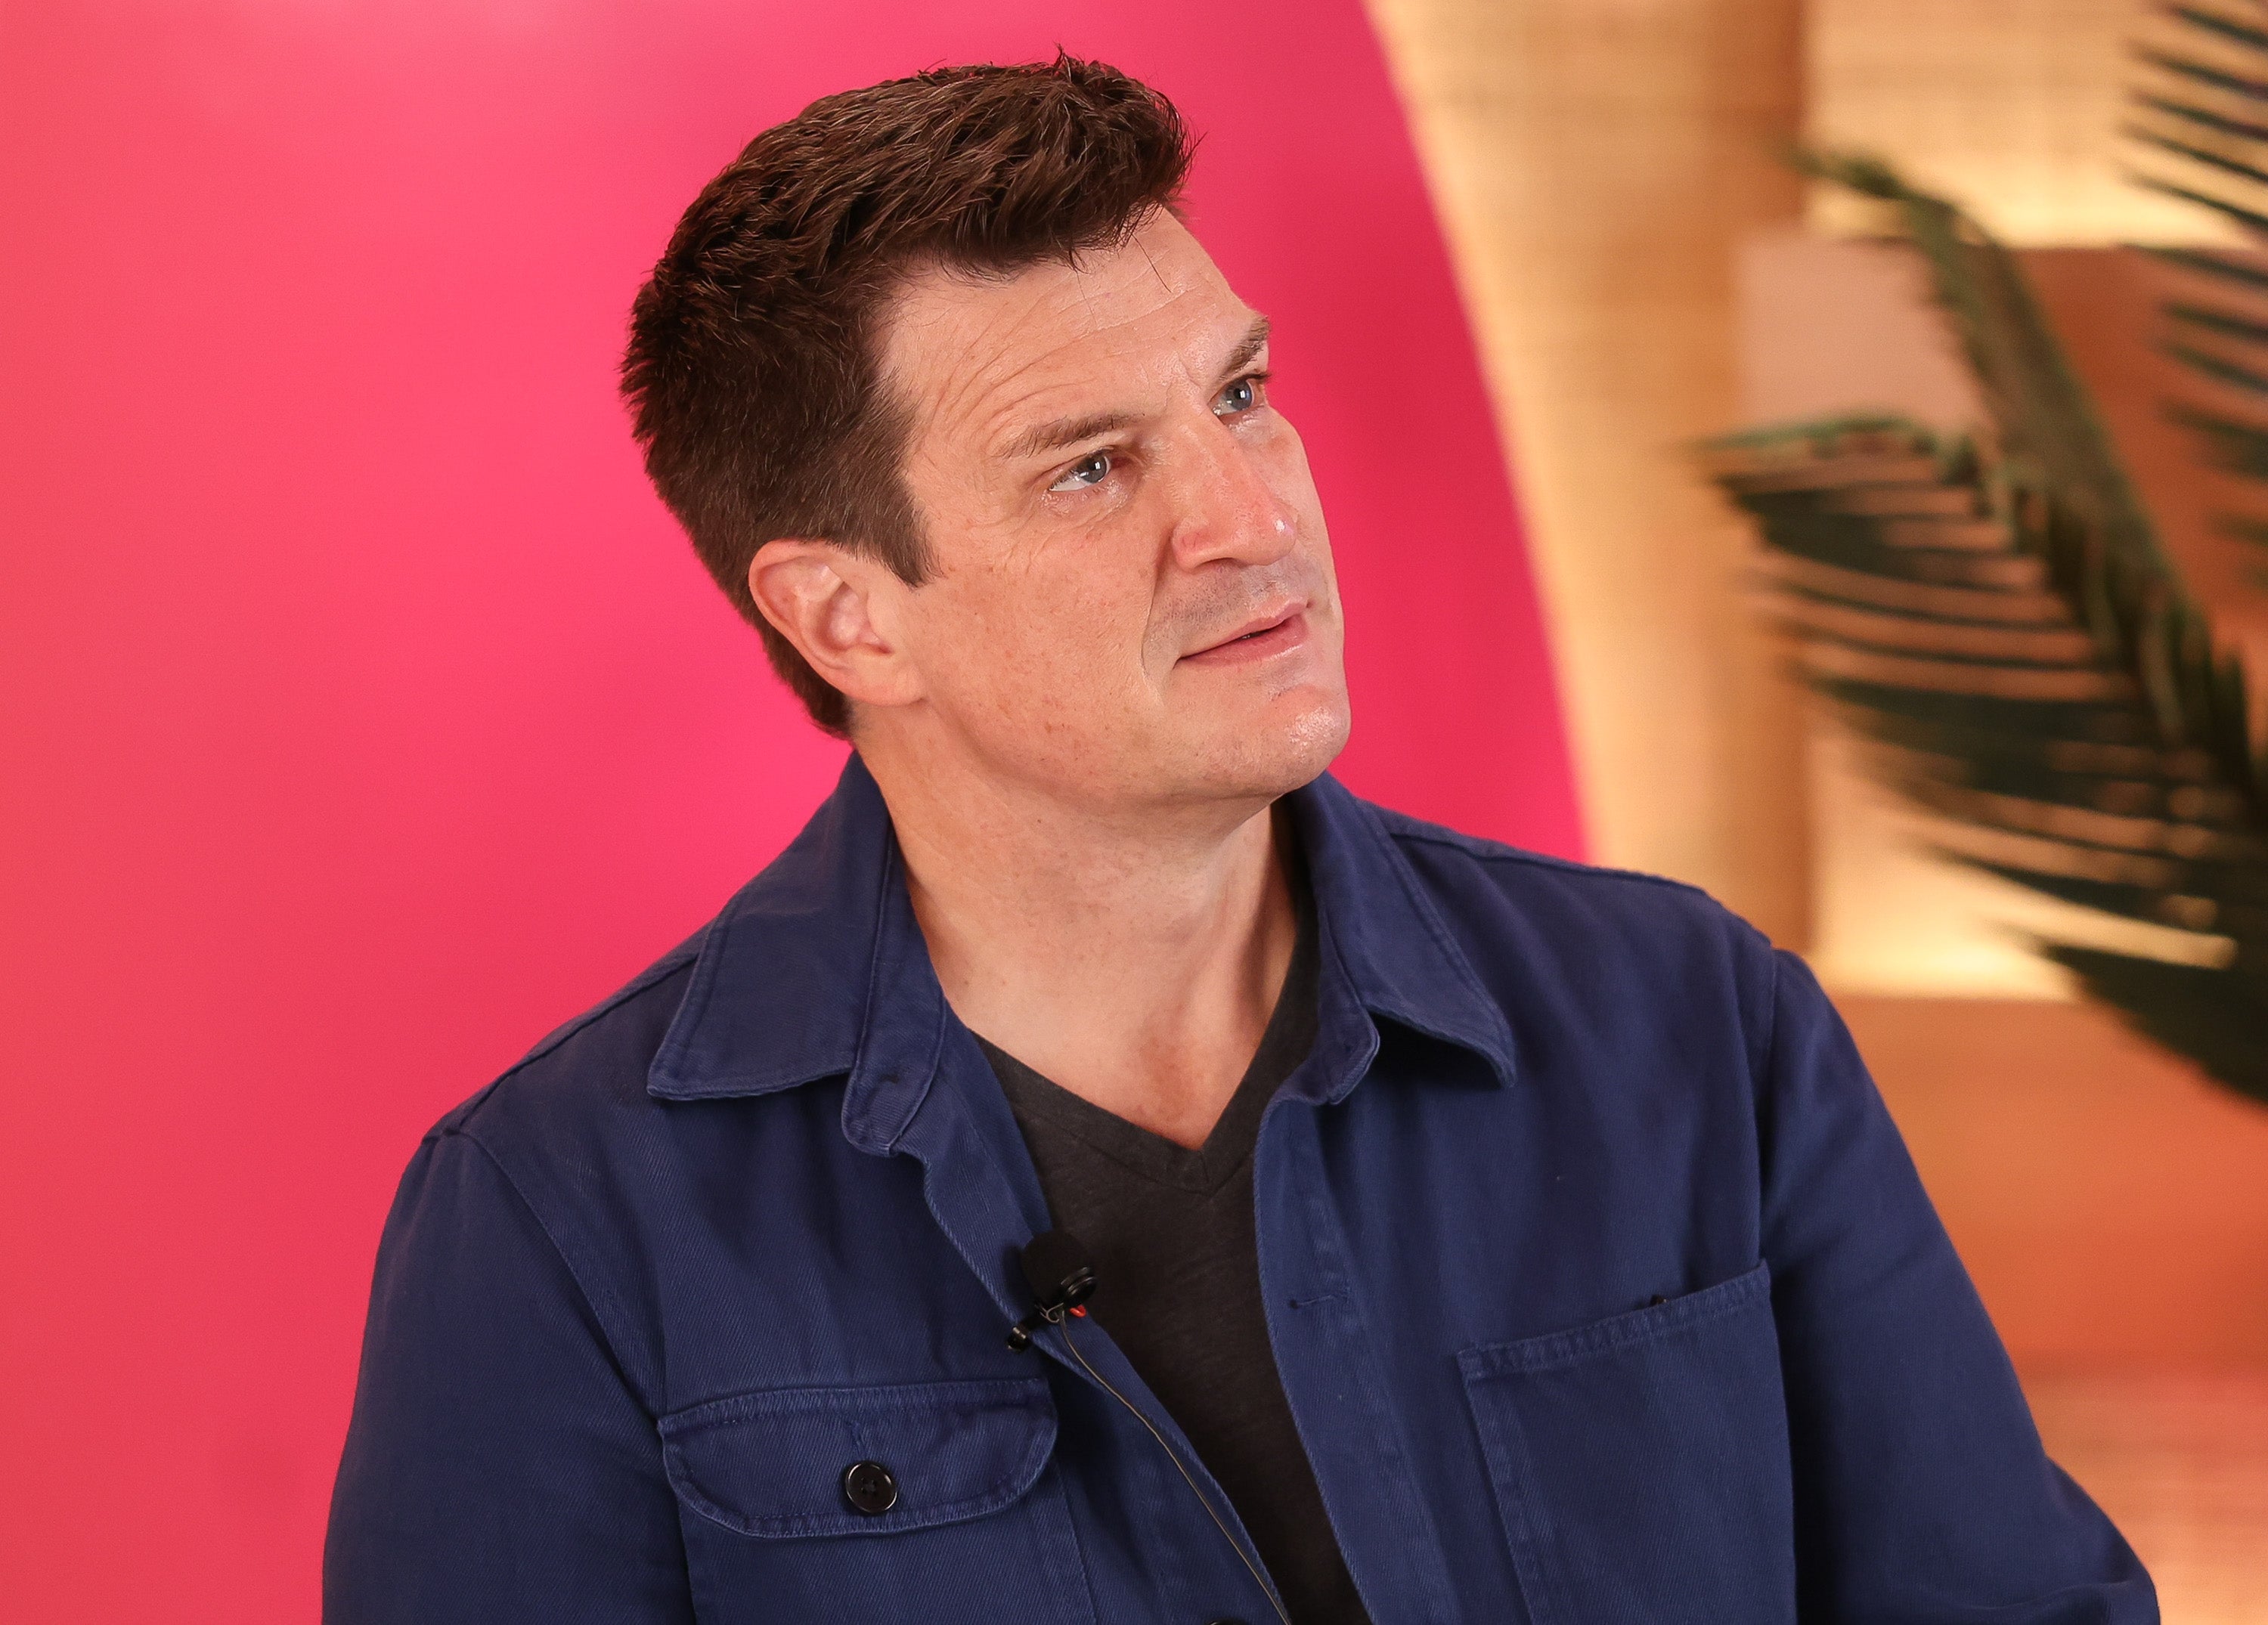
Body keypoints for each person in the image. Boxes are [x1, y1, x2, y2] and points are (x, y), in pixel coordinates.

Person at [323, 55, 2155, 1625]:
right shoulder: (557, 1218)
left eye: (1240, 397)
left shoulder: (1698, 1025)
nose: (1252, 517)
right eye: (1091, 466)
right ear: (848, 618)